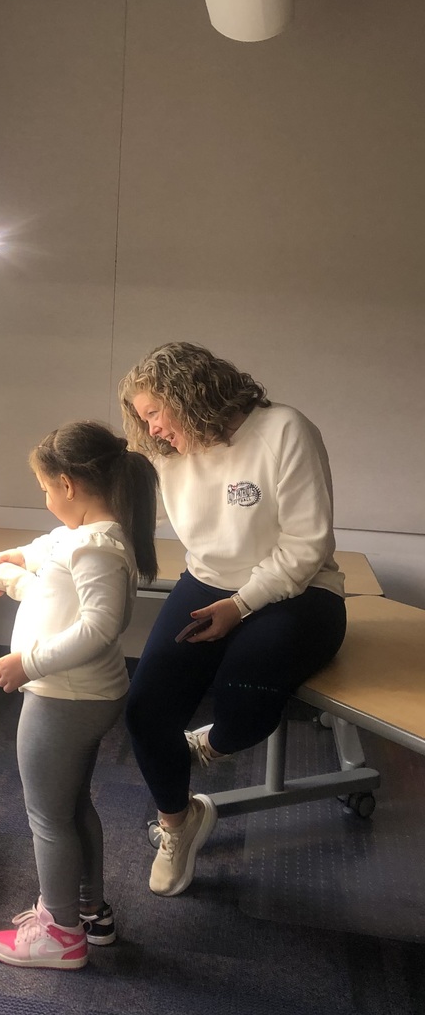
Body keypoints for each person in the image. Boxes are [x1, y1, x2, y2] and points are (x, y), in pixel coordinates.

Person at [118, 342, 346, 898]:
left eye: (153, 412)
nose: (149, 428)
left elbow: (305, 546)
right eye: (141, 416)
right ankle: (180, 822)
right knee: (146, 710)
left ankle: (213, 744)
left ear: (188, 394)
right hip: (207, 582)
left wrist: (240, 606)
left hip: (301, 590)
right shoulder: (167, 450)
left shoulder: (284, 431)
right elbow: (92, 486)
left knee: (240, 694)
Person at [0, 420, 158, 970]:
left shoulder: (95, 546)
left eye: (44, 487)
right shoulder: (84, 535)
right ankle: (90, 912)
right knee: (72, 807)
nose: (44, 496)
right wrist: (5, 571)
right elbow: (47, 580)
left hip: (65, 699)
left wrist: (28, 663)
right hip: (77, 696)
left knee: (47, 817)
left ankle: (60, 933)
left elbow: (99, 628)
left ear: (69, 485)